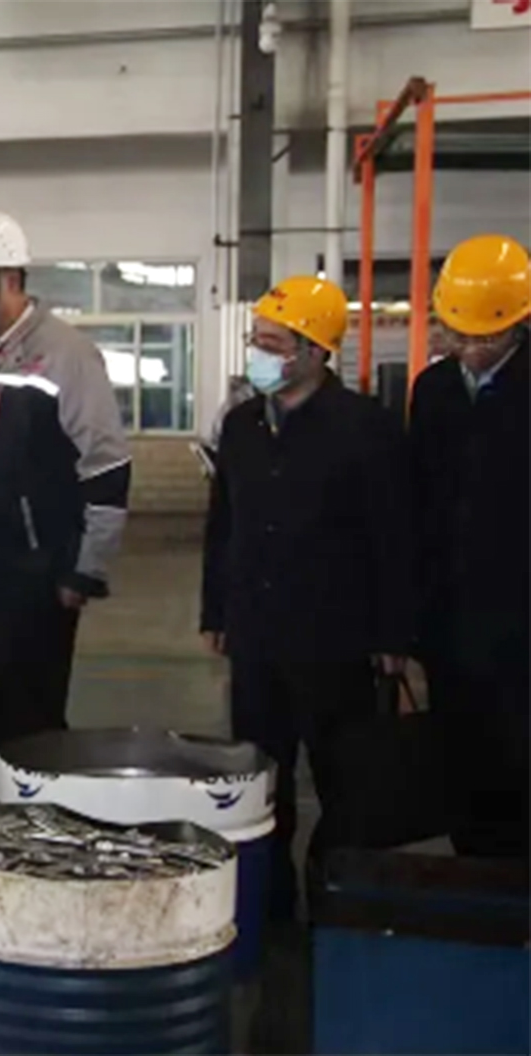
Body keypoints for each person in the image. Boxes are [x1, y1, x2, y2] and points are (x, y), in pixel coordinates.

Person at [201, 275, 414, 918]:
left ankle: (336, 900)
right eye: (256, 340)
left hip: (334, 638)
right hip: (256, 634)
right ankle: (268, 902)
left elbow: (394, 536)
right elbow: (223, 524)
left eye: (273, 344)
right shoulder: (241, 426)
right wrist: (216, 610)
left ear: (317, 352)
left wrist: (393, 634)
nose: (258, 354)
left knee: (343, 780)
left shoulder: (365, 429)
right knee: (260, 779)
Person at [0, 212, 131, 808]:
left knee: (31, 730)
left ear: (11, 279)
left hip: (33, 582)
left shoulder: (66, 355)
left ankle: (36, 840)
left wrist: (84, 571)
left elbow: (107, 469)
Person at [411, 233, 529, 859]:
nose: (471, 349)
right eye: (458, 334)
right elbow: (418, 501)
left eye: (488, 336)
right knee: (462, 758)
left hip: (520, 620)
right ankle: (473, 871)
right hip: (449, 620)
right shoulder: (433, 391)